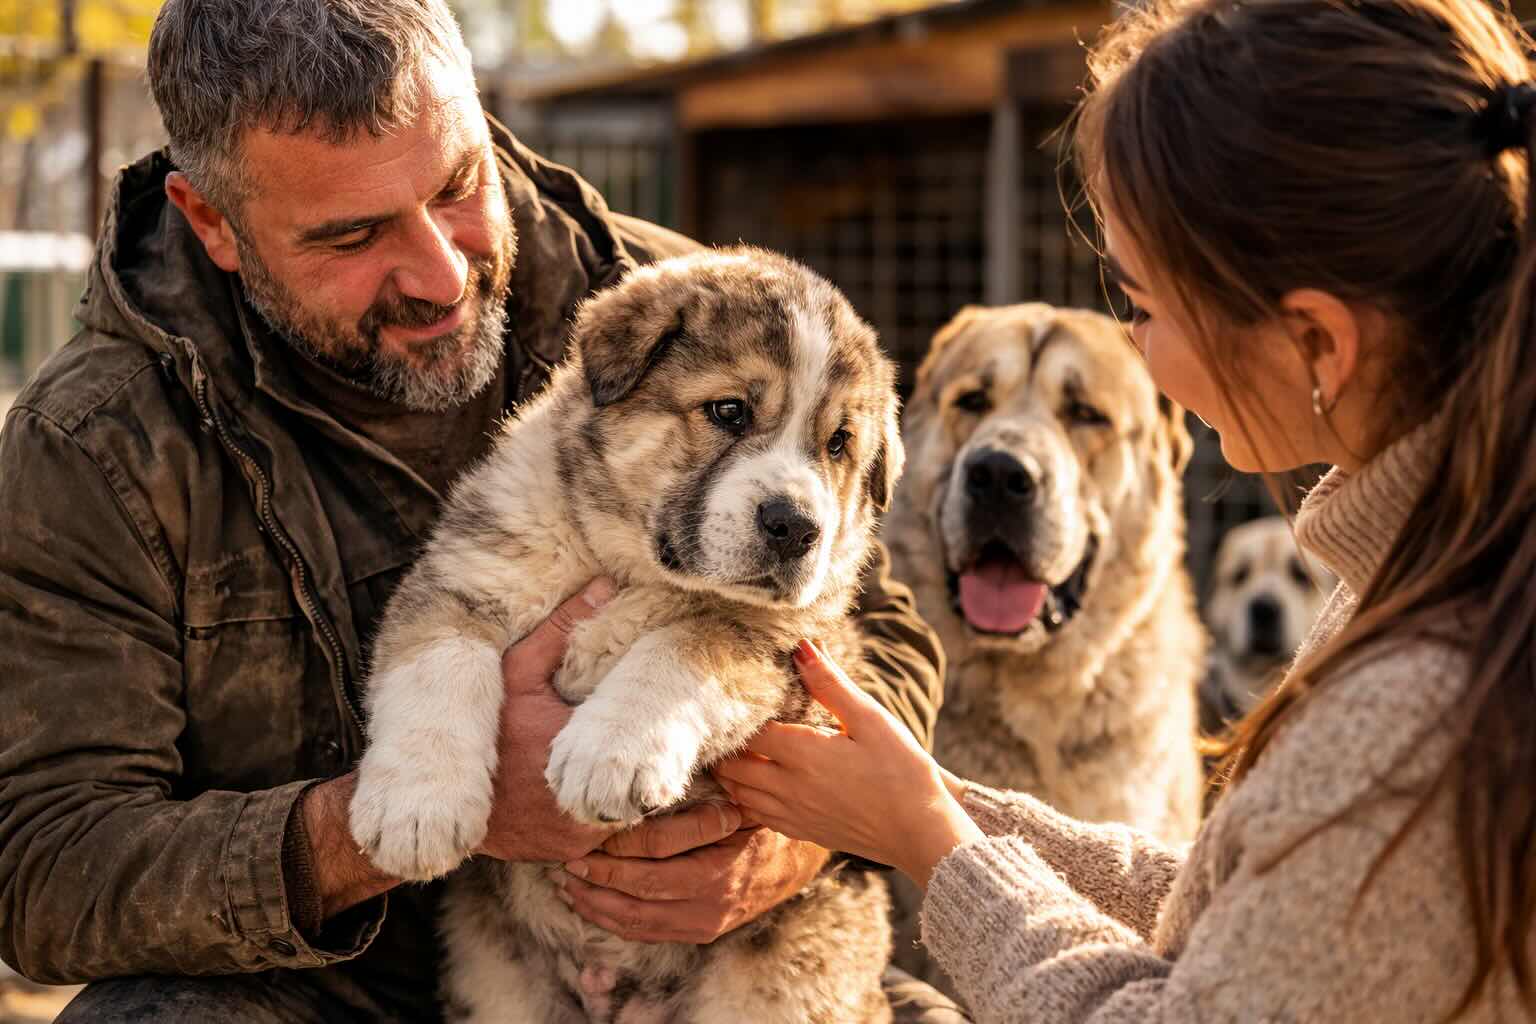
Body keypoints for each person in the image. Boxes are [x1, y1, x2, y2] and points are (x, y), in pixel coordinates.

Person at [0, 0, 961, 1020]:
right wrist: (366, 831)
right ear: (213, 221)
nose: (442, 273)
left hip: (716, 952)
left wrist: (791, 833)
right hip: (334, 986)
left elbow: (882, 633)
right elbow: (43, 863)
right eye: (354, 234)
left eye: (457, 184)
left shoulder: (673, 300)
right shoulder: (97, 449)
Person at [715, 0, 1536, 1020]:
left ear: (1317, 345)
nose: (1134, 345)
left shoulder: (1413, 710)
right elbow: (1233, 907)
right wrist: (931, 802)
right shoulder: (1424, 561)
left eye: (1139, 306)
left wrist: (935, 841)